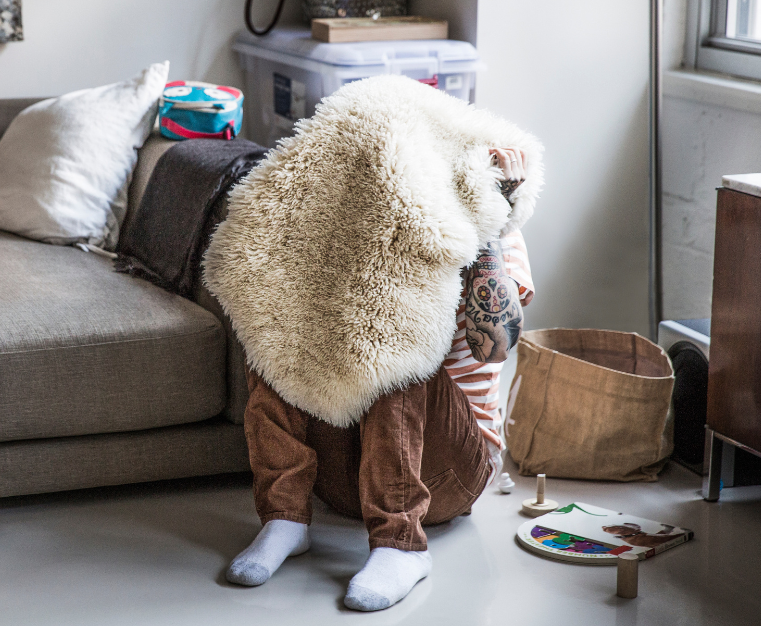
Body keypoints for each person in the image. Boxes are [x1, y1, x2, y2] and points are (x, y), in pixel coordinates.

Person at [225, 148, 535, 612]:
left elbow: (494, 345)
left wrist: (490, 220)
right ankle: (284, 518)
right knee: (274, 329)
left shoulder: (497, 234)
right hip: (345, 476)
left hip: (448, 475)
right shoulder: (361, 229)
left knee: (398, 341)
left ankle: (401, 547)